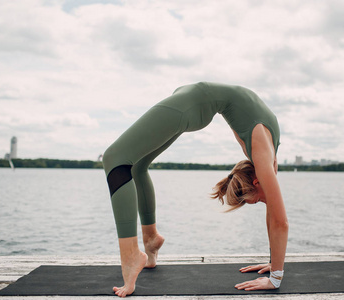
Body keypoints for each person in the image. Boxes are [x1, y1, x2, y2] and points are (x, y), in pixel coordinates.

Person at [102, 82, 289, 297]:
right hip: (194, 101)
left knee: (134, 165)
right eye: (253, 201)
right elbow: (280, 221)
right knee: (116, 159)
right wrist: (275, 278)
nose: (261, 203)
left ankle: (151, 239)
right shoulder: (263, 161)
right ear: (256, 183)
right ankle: (133, 254)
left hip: (193, 99)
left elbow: (273, 215)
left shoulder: (266, 159)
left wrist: (274, 263)